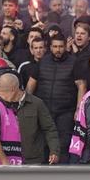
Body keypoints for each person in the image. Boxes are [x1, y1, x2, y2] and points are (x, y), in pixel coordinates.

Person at [28, 33, 79, 162]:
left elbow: (82, 86)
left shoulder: (74, 62)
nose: (58, 49)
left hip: (66, 111)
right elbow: (31, 83)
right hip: (44, 110)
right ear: (49, 47)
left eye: (61, 46)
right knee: (43, 143)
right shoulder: (42, 61)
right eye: (55, 46)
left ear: (65, 46)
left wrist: (79, 109)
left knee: (63, 143)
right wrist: (26, 104)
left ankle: (62, 176)